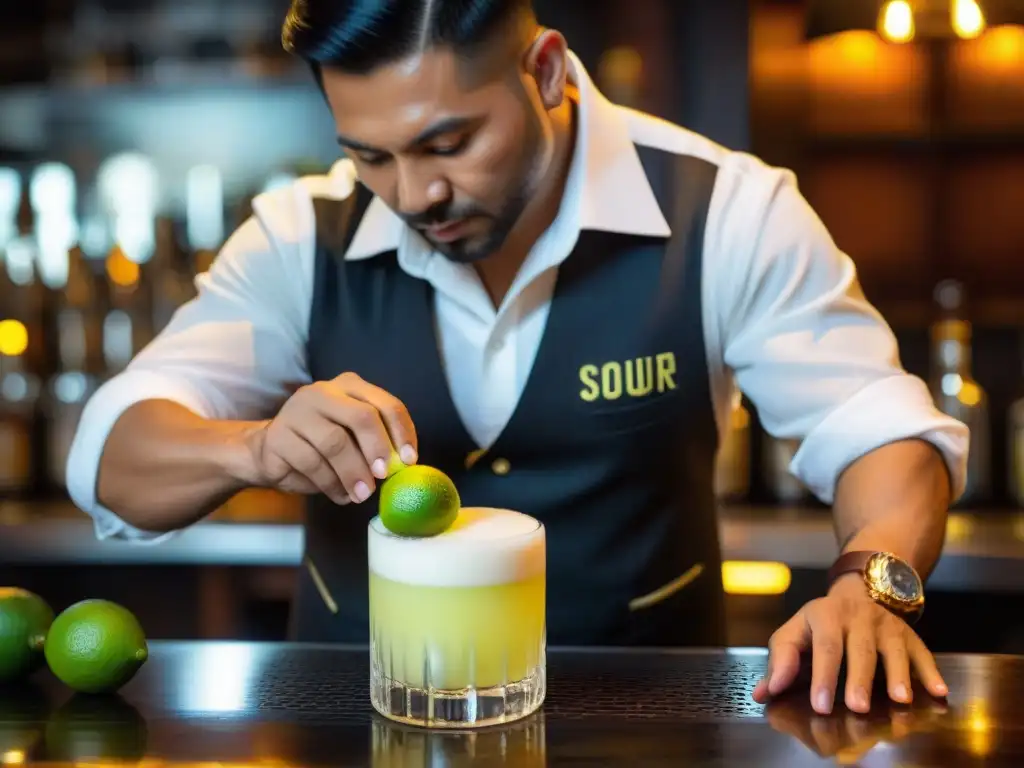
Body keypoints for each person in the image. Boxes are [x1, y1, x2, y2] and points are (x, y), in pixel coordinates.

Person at [66, 0, 966, 717]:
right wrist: (252, 449)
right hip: (351, 737)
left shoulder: (728, 211)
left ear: (545, 72)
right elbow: (114, 455)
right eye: (370, 155)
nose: (415, 194)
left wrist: (869, 586)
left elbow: (878, 431)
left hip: (647, 735)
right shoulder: (300, 235)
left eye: (448, 143)